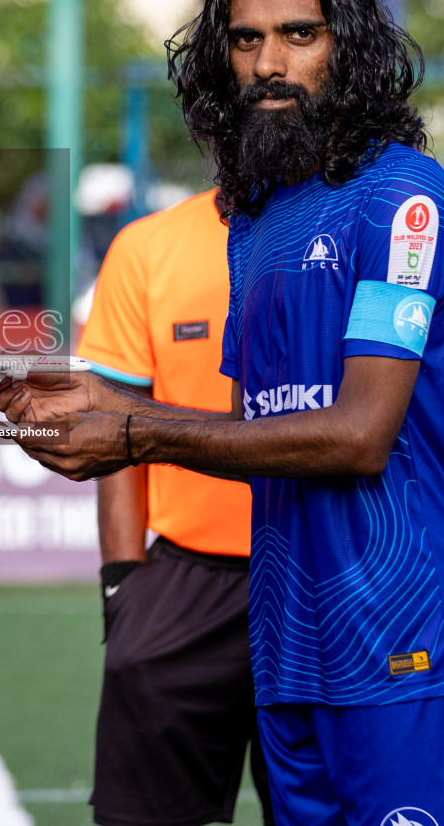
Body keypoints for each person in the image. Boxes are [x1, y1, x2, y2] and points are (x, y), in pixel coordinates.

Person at [0, 0, 444, 825]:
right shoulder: (256, 220)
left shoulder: (404, 199)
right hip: (291, 646)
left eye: (299, 34)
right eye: (246, 39)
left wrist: (135, 429)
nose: (268, 63)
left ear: (349, 44)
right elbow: (255, 429)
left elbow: (359, 435)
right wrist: (105, 398)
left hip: (404, 642)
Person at [78, 189, 275, 826]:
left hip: (322, 569)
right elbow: (115, 429)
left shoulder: (351, 231)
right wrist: (123, 587)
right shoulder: (147, 245)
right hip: (185, 577)